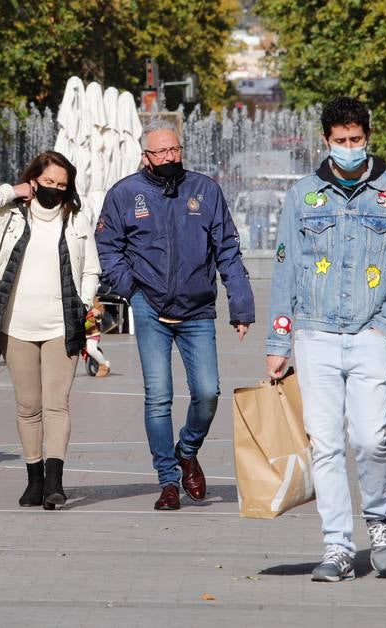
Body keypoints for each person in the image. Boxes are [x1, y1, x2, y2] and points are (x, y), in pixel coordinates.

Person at [264, 97, 386, 582]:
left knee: (370, 438)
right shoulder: (303, 195)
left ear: (368, 137)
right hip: (314, 334)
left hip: (370, 332)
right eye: (341, 141)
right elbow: (286, 267)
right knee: (326, 445)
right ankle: (337, 546)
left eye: (357, 140)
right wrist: (279, 340)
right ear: (326, 141)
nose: (350, 148)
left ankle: (379, 520)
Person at [96, 126, 254, 511]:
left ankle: (187, 450)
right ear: (146, 156)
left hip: (197, 308)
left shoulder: (205, 190)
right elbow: (107, 246)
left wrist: (241, 305)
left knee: (207, 392)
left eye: (174, 149)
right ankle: (168, 480)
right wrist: (130, 289)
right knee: (158, 397)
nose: (169, 157)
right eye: (161, 151)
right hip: (149, 304)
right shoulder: (124, 193)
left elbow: (228, 250)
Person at [0, 151, 99, 509]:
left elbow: (91, 270)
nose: (54, 190)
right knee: (28, 406)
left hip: (61, 325)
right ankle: (33, 479)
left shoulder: (76, 219)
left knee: (56, 404)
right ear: (34, 180)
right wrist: (11, 190)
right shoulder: (10, 215)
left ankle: (55, 482)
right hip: (15, 325)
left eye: (61, 185)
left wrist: (82, 304)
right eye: (48, 182)